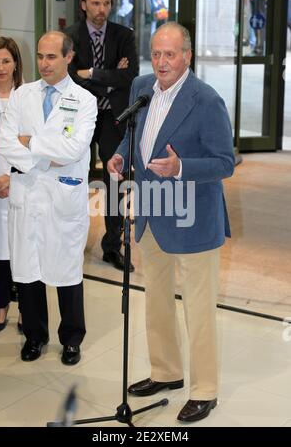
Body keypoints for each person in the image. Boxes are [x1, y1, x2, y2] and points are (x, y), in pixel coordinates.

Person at [107, 22, 234, 423]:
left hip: (193, 218)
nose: (162, 61)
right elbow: (135, 137)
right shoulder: (141, 86)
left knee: (198, 311)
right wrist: (120, 157)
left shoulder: (206, 100)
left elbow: (224, 163)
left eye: (171, 54)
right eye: (157, 53)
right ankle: (166, 372)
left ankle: (205, 390)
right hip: (150, 214)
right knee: (156, 301)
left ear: (187, 56)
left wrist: (181, 168)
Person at [0, 31, 97, 365]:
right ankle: (35, 337)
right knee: (28, 272)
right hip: (27, 195)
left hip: (62, 197)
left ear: (68, 57)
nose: (44, 63)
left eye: (52, 56)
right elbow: (4, 141)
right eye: (40, 56)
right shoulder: (22, 95)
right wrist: (42, 153)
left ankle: (71, 339)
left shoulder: (84, 100)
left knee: (67, 271)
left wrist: (31, 144)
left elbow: (73, 149)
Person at [65, 0, 139, 272]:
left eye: (106, 3)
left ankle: (112, 246)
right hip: (80, 117)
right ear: (83, 5)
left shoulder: (124, 36)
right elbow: (68, 76)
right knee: (73, 178)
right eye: (95, 3)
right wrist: (108, 79)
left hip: (112, 118)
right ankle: (70, 241)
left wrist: (93, 73)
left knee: (114, 180)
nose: (102, 9)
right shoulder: (69, 36)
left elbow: (130, 75)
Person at [0, 37, 23, 333]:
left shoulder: (26, 97)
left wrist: (12, 178)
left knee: (23, 249)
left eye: (5, 61)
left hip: (21, 183)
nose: (0, 67)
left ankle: (27, 309)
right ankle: (0, 307)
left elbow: (31, 146)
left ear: (15, 64)